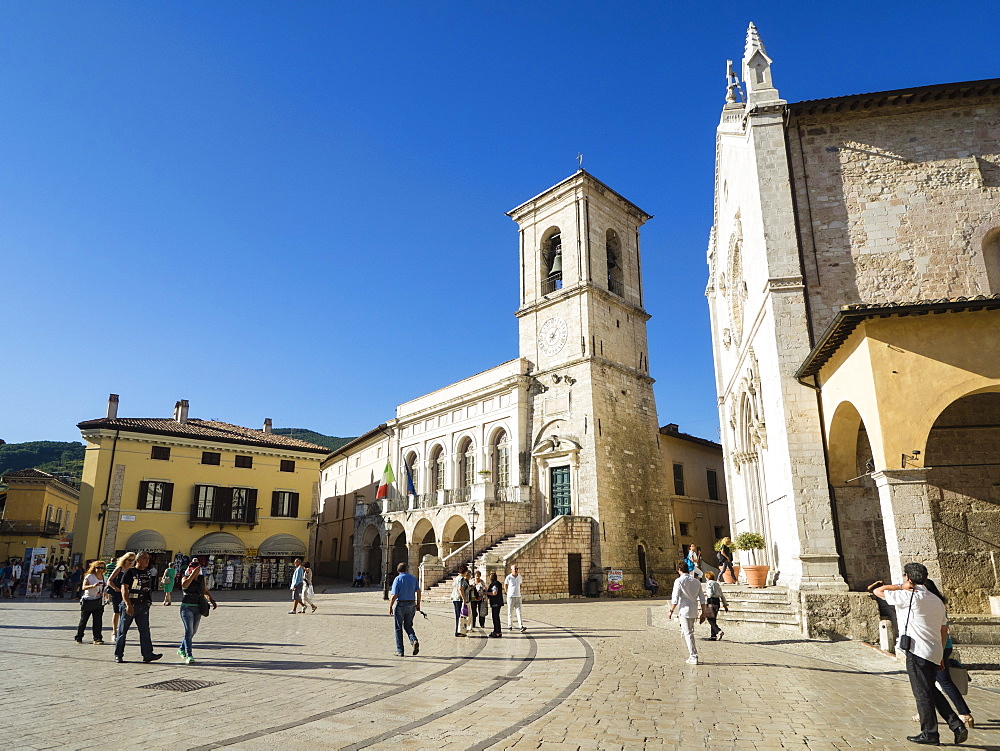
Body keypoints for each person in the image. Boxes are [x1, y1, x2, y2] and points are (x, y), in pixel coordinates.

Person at [873, 563, 968, 746]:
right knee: (931, 690)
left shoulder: (906, 595)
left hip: (917, 651)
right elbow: (943, 630)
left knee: (922, 693)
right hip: (934, 651)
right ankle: (956, 725)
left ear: (908, 577)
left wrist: (902, 586)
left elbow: (878, 591)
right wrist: (940, 655)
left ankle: (930, 733)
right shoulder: (936, 600)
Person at [114, 551, 162, 664]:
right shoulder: (130, 572)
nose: (147, 560)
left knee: (145, 631)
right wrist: (128, 604)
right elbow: (124, 589)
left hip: (143, 605)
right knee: (122, 631)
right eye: (144, 558)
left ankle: (148, 654)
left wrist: (148, 602)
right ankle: (118, 655)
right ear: (138, 560)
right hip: (131, 604)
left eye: (148, 558)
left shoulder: (147, 573)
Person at [668, 558, 708, 665]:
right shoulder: (696, 581)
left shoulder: (679, 581)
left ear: (679, 570)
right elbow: (702, 598)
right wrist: (703, 612)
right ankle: (692, 655)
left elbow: (675, 597)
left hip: (685, 610)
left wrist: (671, 610)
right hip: (694, 609)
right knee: (689, 631)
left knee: (688, 633)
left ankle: (693, 655)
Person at [178, 559, 217, 664]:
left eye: (198, 569)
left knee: (193, 632)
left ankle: (181, 649)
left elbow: (205, 590)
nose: (196, 570)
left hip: (198, 607)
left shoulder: (201, 579)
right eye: (194, 568)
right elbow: (185, 585)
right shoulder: (185, 578)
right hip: (186, 607)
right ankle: (189, 655)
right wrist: (192, 575)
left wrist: (212, 600)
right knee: (189, 631)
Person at [388, 562, 421, 656]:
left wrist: (390, 606)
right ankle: (413, 640)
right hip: (412, 604)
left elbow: (394, 595)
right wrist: (418, 604)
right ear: (406, 569)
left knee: (398, 628)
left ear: (398, 570)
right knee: (408, 626)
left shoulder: (398, 579)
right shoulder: (413, 578)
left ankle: (400, 650)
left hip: (401, 604)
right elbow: (418, 591)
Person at [75, 560, 106, 645]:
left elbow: (105, 588)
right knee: (84, 620)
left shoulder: (104, 577)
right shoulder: (89, 576)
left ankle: (97, 638)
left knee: (98, 621)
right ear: (94, 568)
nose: (99, 569)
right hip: (88, 601)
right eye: (98, 567)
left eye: (101, 568)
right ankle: (79, 637)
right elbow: (83, 587)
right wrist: (92, 586)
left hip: (99, 601)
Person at [106, 553, 135, 638]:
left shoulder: (132, 570)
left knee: (125, 612)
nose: (131, 562)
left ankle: (121, 631)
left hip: (127, 593)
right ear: (125, 560)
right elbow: (110, 580)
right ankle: (114, 631)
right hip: (117, 593)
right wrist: (115, 588)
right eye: (129, 560)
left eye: (133, 560)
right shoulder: (119, 568)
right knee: (117, 612)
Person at [703, 571, 729, 640]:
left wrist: (704, 594)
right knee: (713, 618)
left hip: (711, 601)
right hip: (717, 601)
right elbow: (722, 595)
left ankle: (718, 631)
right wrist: (725, 605)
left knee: (709, 618)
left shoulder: (709, 583)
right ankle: (713, 635)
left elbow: (710, 594)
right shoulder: (717, 584)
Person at [504, 563, 526, 633]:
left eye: (517, 569)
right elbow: (505, 585)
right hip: (511, 596)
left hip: (518, 596)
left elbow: (520, 585)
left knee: (519, 612)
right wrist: (507, 592)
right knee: (510, 611)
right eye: (515, 569)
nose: (516, 570)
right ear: (511, 570)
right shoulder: (508, 577)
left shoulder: (520, 577)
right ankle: (509, 625)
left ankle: (521, 626)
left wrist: (519, 591)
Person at [451, 565, 471, 637]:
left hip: (455, 598)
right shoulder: (462, 579)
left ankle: (458, 630)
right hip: (459, 599)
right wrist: (464, 599)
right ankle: (458, 631)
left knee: (458, 615)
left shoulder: (456, 578)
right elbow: (460, 589)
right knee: (460, 616)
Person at [486, 572, 504, 637]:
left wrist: (487, 593)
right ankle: (497, 631)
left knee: (495, 617)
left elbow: (494, 593)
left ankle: (497, 632)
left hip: (495, 603)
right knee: (496, 617)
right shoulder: (497, 583)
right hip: (498, 602)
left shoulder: (494, 584)